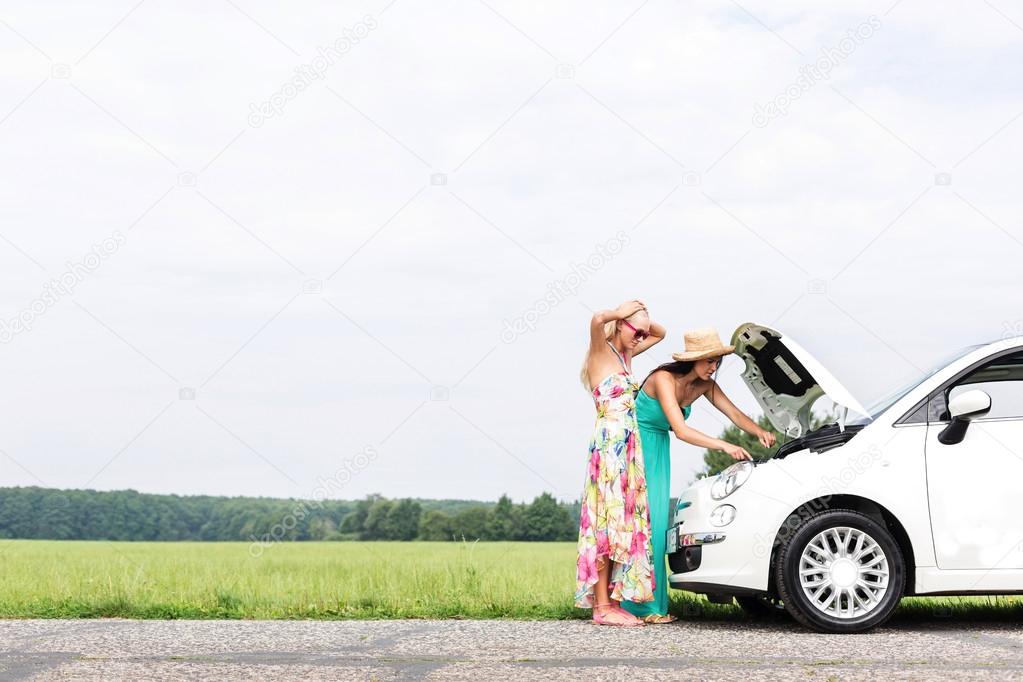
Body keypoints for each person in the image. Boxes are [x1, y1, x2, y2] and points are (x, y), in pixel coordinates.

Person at [620, 327, 777, 623]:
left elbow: (734, 413)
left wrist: (759, 432)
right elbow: (680, 430)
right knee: (640, 522)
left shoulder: (705, 385)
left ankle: (650, 604)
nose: (713, 367)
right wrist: (725, 445)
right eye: (708, 361)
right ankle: (633, 606)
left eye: (717, 362)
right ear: (693, 360)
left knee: (655, 523)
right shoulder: (663, 379)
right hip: (634, 448)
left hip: (656, 449)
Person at [575, 299, 666, 626]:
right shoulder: (601, 352)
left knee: (623, 524)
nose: (642, 337)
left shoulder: (626, 354)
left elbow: (661, 332)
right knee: (605, 523)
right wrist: (624, 310)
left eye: (643, 334)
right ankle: (601, 608)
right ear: (621, 325)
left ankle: (612, 602)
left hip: (629, 448)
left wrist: (640, 318)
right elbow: (598, 318)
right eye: (636, 331)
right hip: (610, 447)